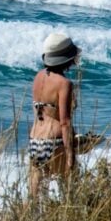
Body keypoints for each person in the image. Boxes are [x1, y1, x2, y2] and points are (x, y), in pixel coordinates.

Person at [29, 32, 81, 198]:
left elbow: (40, 111)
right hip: (55, 141)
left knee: (35, 195)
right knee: (69, 188)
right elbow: (65, 122)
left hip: (35, 140)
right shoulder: (64, 84)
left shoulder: (38, 77)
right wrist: (70, 154)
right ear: (67, 59)